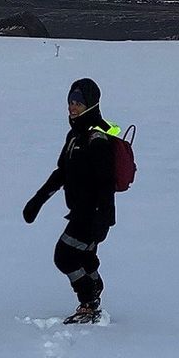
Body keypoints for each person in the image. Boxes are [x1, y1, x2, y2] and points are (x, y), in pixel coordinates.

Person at [23, 78, 119, 324]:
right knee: (83, 255)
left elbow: (106, 181)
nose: (72, 107)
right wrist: (38, 200)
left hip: (92, 213)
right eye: (70, 102)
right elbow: (62, 172)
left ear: (91, 104)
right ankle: (94, 287)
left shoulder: (97, 138)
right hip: (80, 210)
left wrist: (105, 217)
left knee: (64, 256)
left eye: (78, 103)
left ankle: (88, 303)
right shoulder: (75, 135)